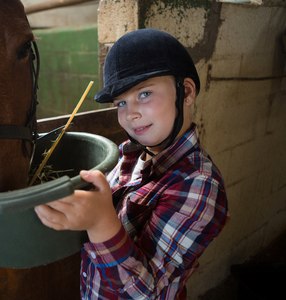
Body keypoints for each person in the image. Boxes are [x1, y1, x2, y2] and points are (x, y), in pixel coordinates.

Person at [34, 28, 229, 300]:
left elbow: (146, 293)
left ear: (185, 91)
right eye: (120, 103)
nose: (130, 114)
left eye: (144, 94)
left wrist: (100, 221)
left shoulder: (198, 185)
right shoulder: (127, 155)